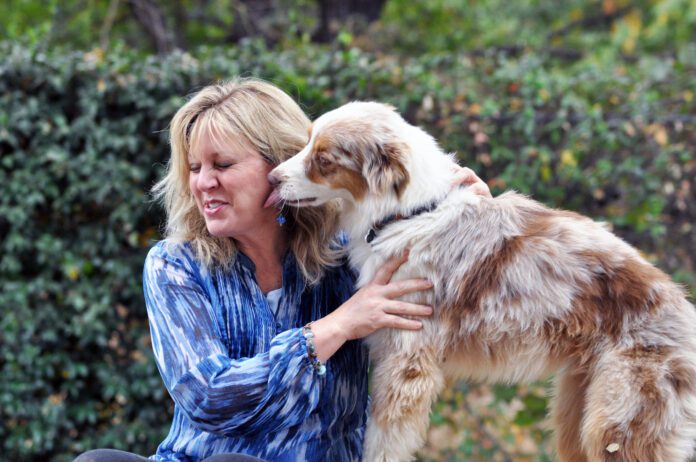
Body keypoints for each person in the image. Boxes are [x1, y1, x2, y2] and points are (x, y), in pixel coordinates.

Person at [75, 78, 490, 462]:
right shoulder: (176, 264)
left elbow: (443, 326)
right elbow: (209, 398)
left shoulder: (352, 255)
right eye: (195, 167)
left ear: (278, 164)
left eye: (222, 165)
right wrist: (336, 327)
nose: (203, 183)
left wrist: (463, 226)